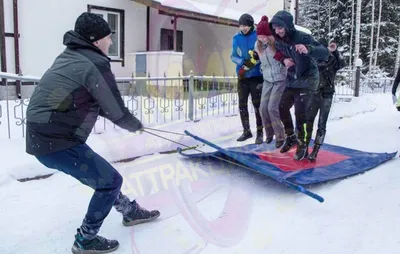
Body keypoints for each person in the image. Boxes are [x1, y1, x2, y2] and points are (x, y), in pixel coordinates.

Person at [25, 12, 160, 254]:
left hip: (46, 134)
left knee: (103, 177)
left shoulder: (69, 56)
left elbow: (69, 96)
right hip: (56, 140)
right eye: (109, 38)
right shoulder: (94, 63)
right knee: (110, 181)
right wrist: (136, 125)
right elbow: (114, 108)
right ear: (96, 40)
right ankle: (85, 239)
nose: (111, 42)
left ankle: (129, 211)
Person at [269, 10, 329, 160]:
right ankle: (291, 136)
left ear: (288, 26)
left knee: (300, 112)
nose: (278, 31)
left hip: (308, 79)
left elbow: (324, 52)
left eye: (280, 28)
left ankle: (302, 144)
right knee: (282, 107)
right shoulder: (279, 40)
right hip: (293, 79)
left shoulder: (302, 37)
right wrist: (284, 60)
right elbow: (278, 53)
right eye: (275, 29)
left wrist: (309, 49)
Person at [255, 15, 294, 148]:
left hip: (279, 79)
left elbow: (285, 57)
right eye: (259, 36)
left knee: (272, 108)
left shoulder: (276, 44)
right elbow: (261, 61)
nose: (262, 39)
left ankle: (280, 136)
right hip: (267, 80)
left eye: (264, 36)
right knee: (263, 108)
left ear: (269, 35)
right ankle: (269, 133)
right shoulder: (258, 45)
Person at [306, 39, 346, 161]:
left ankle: (316, 149)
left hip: (327, 95)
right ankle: (304, 146)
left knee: (322, 124)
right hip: (313, 94)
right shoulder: (312, 61)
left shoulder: (333, 60)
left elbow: (342, 64)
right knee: (308, 121)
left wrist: (335, 51)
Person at [231, 13, 264, 144]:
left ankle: (260, 133)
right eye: (241, 25)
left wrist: (255, 60)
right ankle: (246, 131)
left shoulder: (258, 37)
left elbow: (263, 54)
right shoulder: (236, 38)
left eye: (246, 25)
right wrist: (241, 61)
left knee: (258, 106)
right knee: (242, 105)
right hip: (243, 75)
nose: (243, 28)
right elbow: (232, 56)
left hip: (256, 76)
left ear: (251, 25)